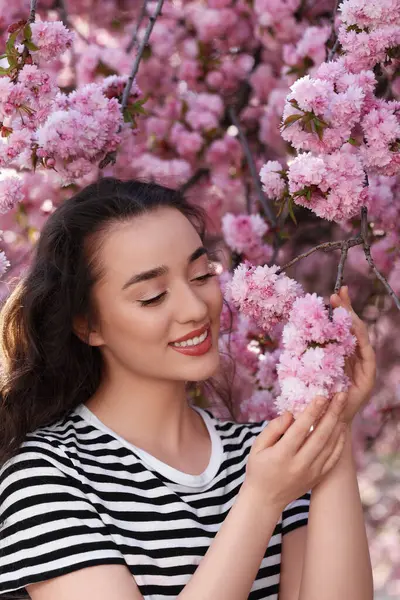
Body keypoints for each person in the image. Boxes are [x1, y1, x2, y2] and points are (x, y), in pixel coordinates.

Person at [0, 178, 375, 600]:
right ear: (88, 324)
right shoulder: (48, 473)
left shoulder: (270, 455)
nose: (197, 309)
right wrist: (261, 501)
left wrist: (334, 425)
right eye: (153, 296)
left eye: (201, 275)